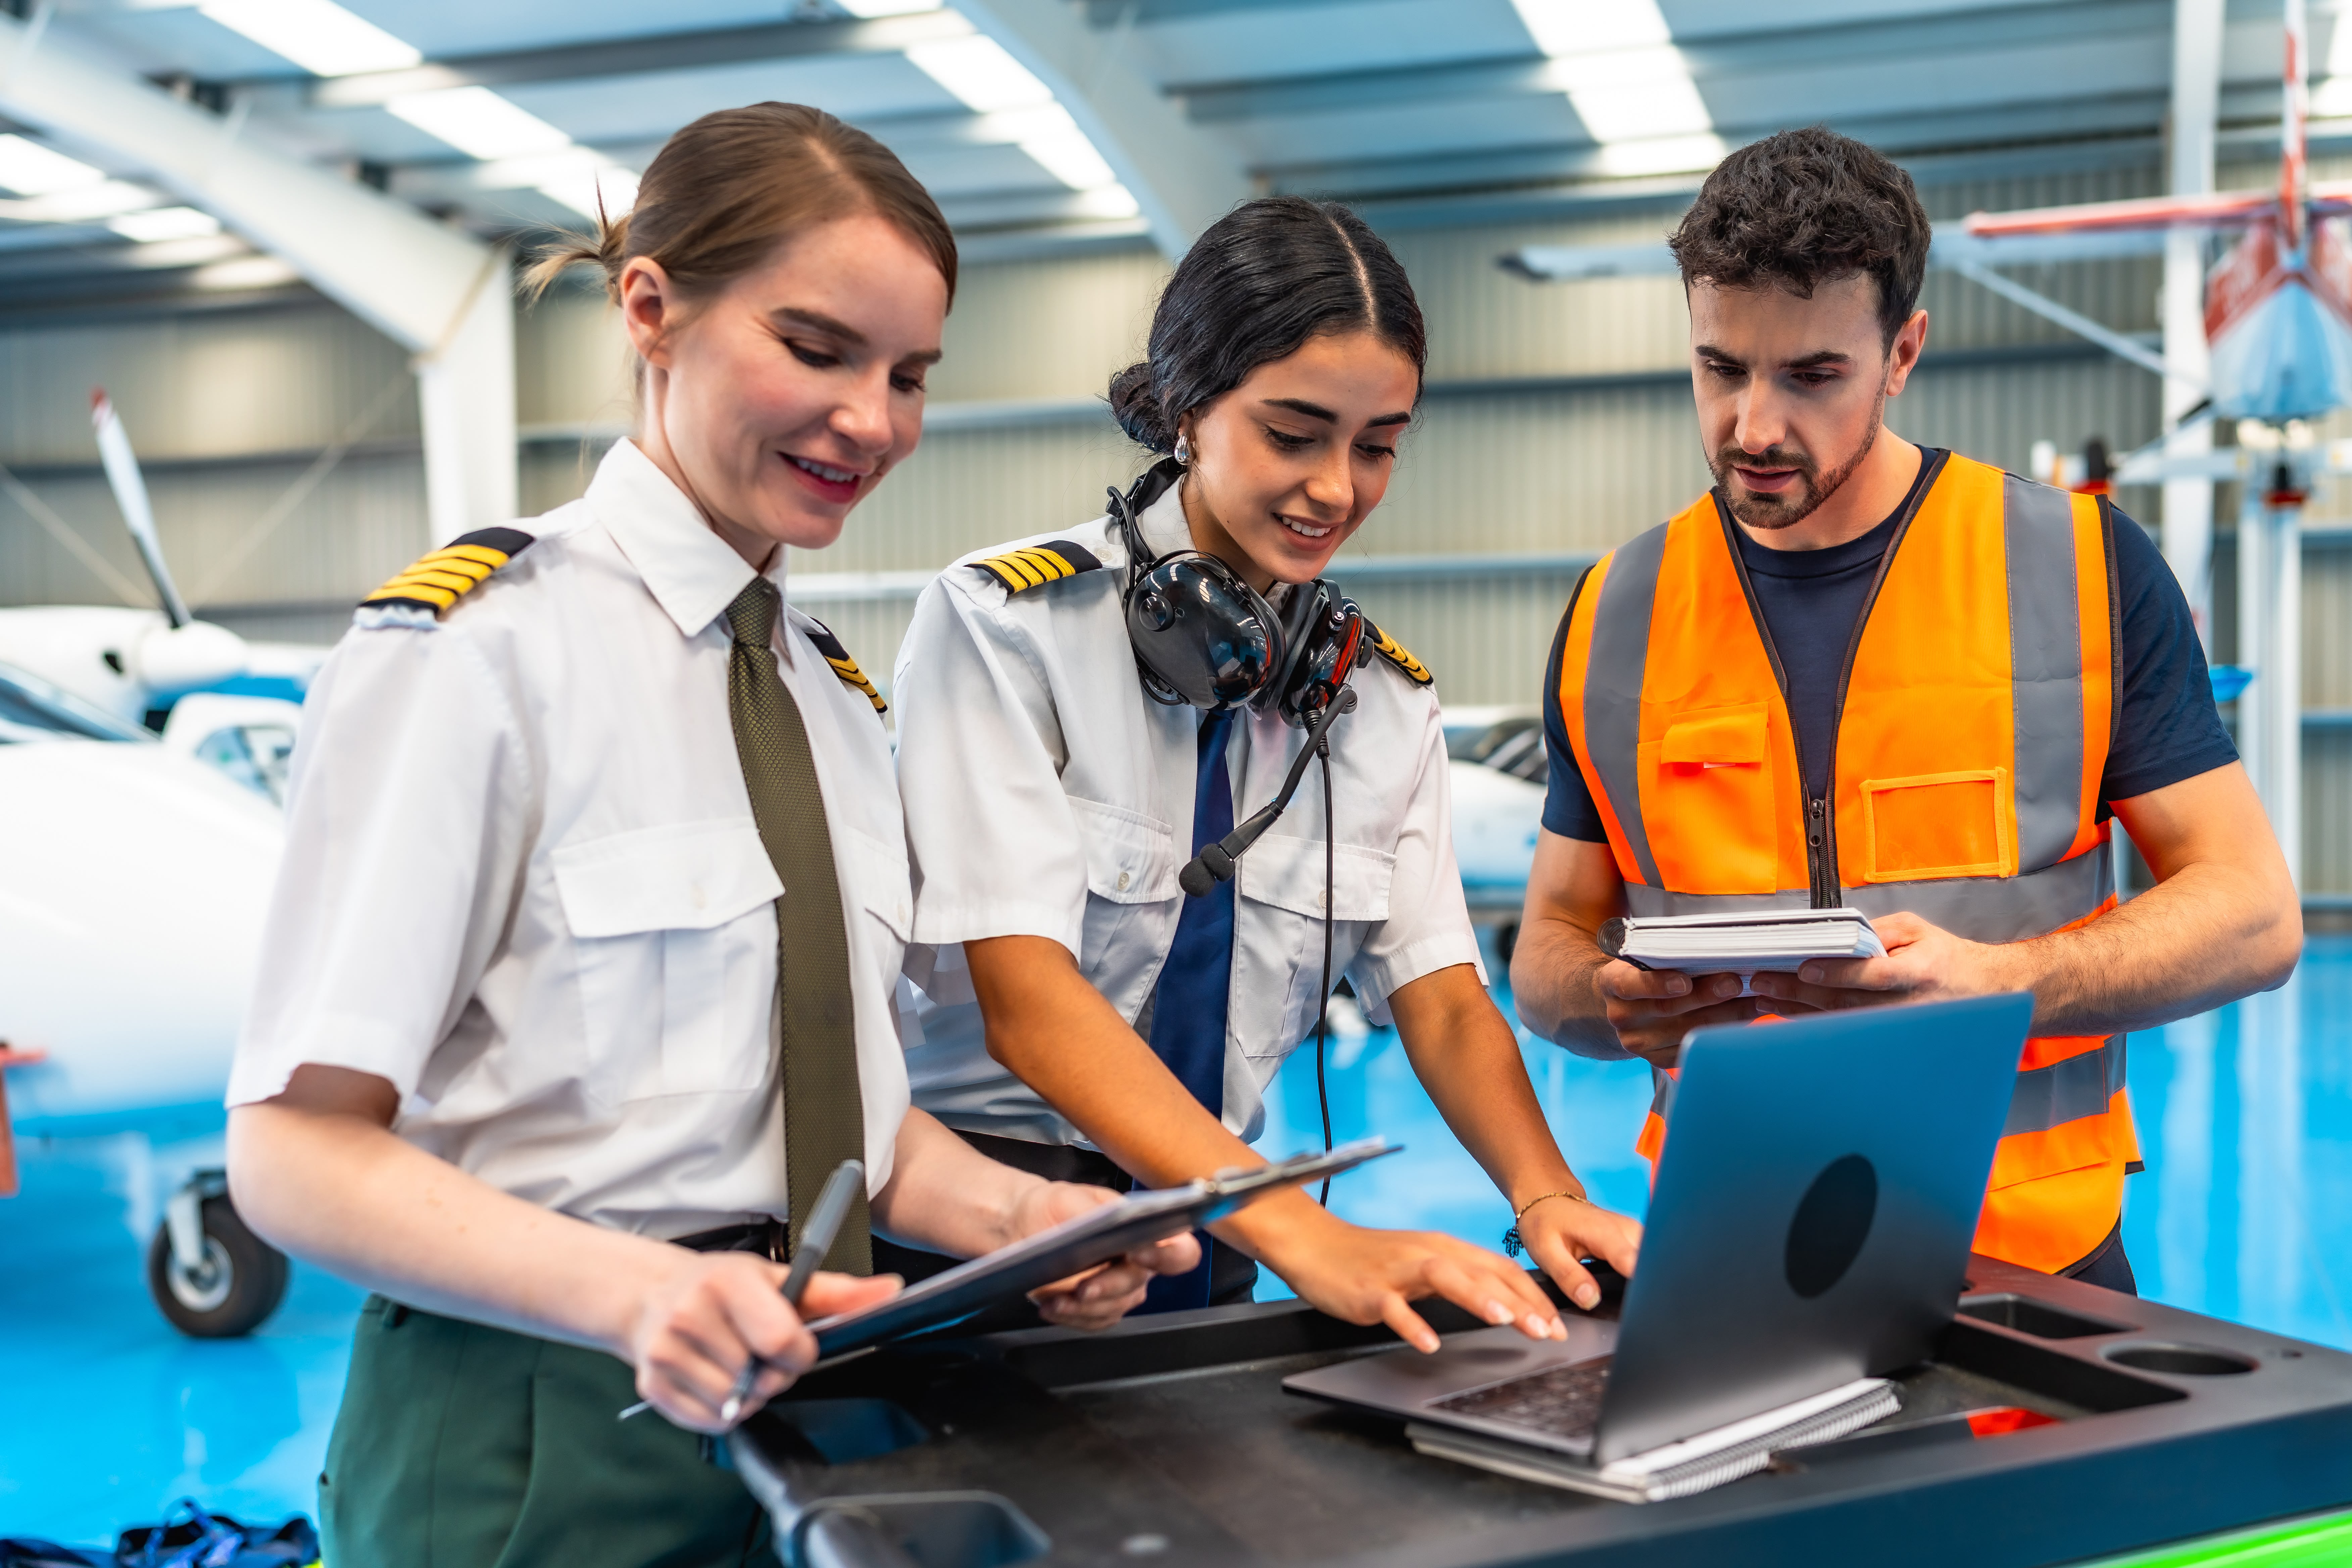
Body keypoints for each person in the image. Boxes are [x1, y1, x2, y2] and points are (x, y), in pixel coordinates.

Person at [222, 104, 1194, 1568]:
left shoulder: (830, 698)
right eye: (816, 350)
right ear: (652, 309)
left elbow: (834, 1132)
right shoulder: (477, 657)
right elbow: (293, 1148)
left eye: (910, 375)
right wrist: (630, 1295)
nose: (872, 422)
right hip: (540, 1434)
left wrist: (1026, 1216)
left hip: (824, 1414)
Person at [1509, 127, 2303, 1293]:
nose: (1756, 428)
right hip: (1736, 1252)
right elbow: (1545, 953)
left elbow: (2256, 916)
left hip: (2033, 1268)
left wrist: (1997, 982)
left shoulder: (2078, 568)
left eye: (1814, 375)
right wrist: (1611, 1002)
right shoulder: (1618, 610)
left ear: (1903, 352)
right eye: (1723, 368)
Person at [889, 196, 1642, 1354]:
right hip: (990, 1242)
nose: (1337, 488)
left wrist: (1549, 1198)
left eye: (1378, 445)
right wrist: (1304, 1232)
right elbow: (1028, 1003)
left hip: (1223, 1246)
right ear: (1187, 410)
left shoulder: (1379, 701)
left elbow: (1440, 997)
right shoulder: (1008, 630)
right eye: (1294, 434)